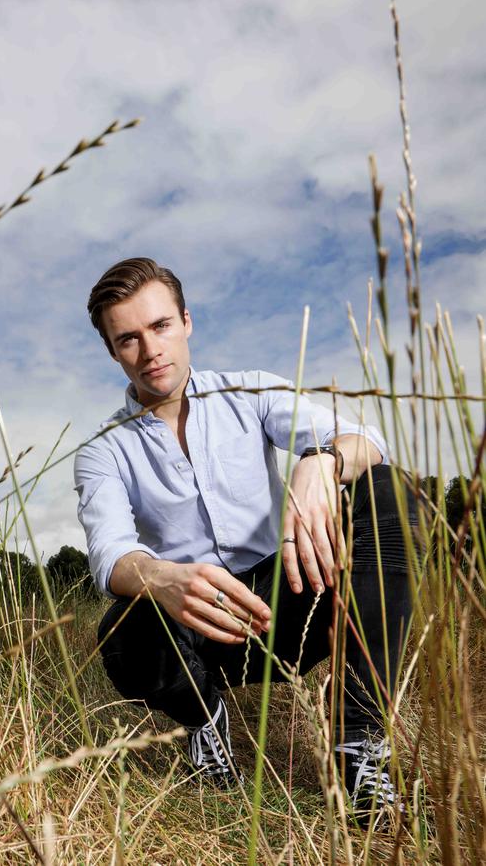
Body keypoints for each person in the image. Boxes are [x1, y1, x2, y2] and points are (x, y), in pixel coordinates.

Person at [74, 257, 417, 825]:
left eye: (160, 326)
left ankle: (357, 742)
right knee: (120, 627)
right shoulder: (102, 451)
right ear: (113, 352)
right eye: (128, 339)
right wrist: (161, 575)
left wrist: (323, 460)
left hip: (301, 590)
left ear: (186, 322)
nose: (150, 349)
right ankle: (203, 720)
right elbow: (109, 553)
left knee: (387, 491)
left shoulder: (249, 390)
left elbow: (366, 439)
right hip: (209, 626)